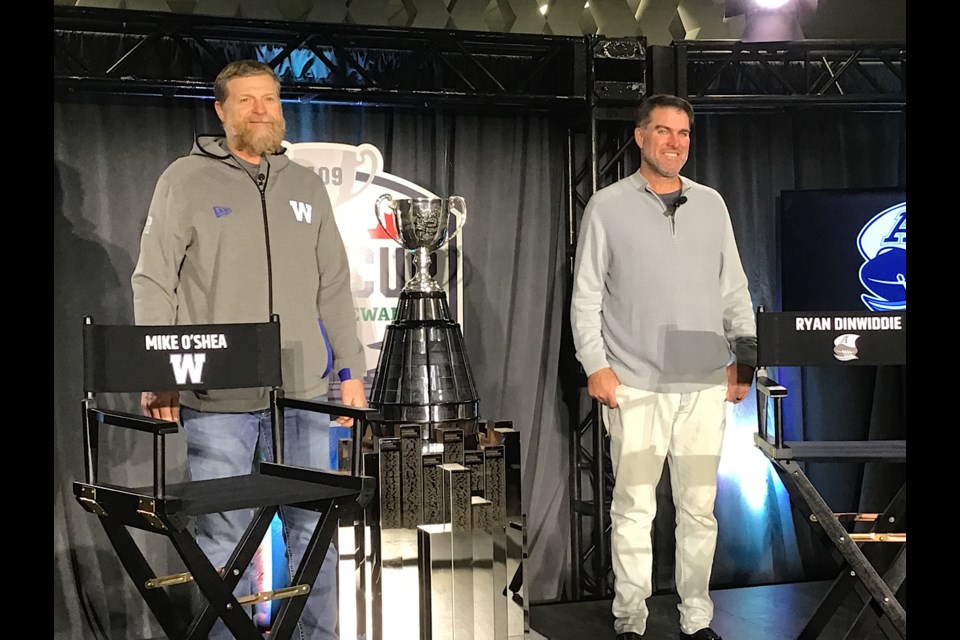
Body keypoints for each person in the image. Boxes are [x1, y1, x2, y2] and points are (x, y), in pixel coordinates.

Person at [131, 59, 367, 640]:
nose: (261, 110)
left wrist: (351, 372)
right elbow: (153, 280)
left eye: (270, 99)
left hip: (303, 397)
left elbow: (334, 284)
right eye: (247, 100)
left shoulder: (305, 185)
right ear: (221, 110)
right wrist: (159, 368)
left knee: (316, 535)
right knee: (223, 538)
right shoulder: (183, 180)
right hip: (218, 400)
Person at [570, 94, 757, 640]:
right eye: (664, 131)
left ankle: (696, 622)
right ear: (640, 137)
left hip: (701, 377)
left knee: (699, 511)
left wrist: (742, 362)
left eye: (684, 133)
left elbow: (735, 289)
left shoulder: (712, 204)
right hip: (635, 381)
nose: (675, 142)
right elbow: (586, 298)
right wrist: (596, 366)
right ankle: (631, 622)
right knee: (633, 510)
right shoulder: (606, 206)